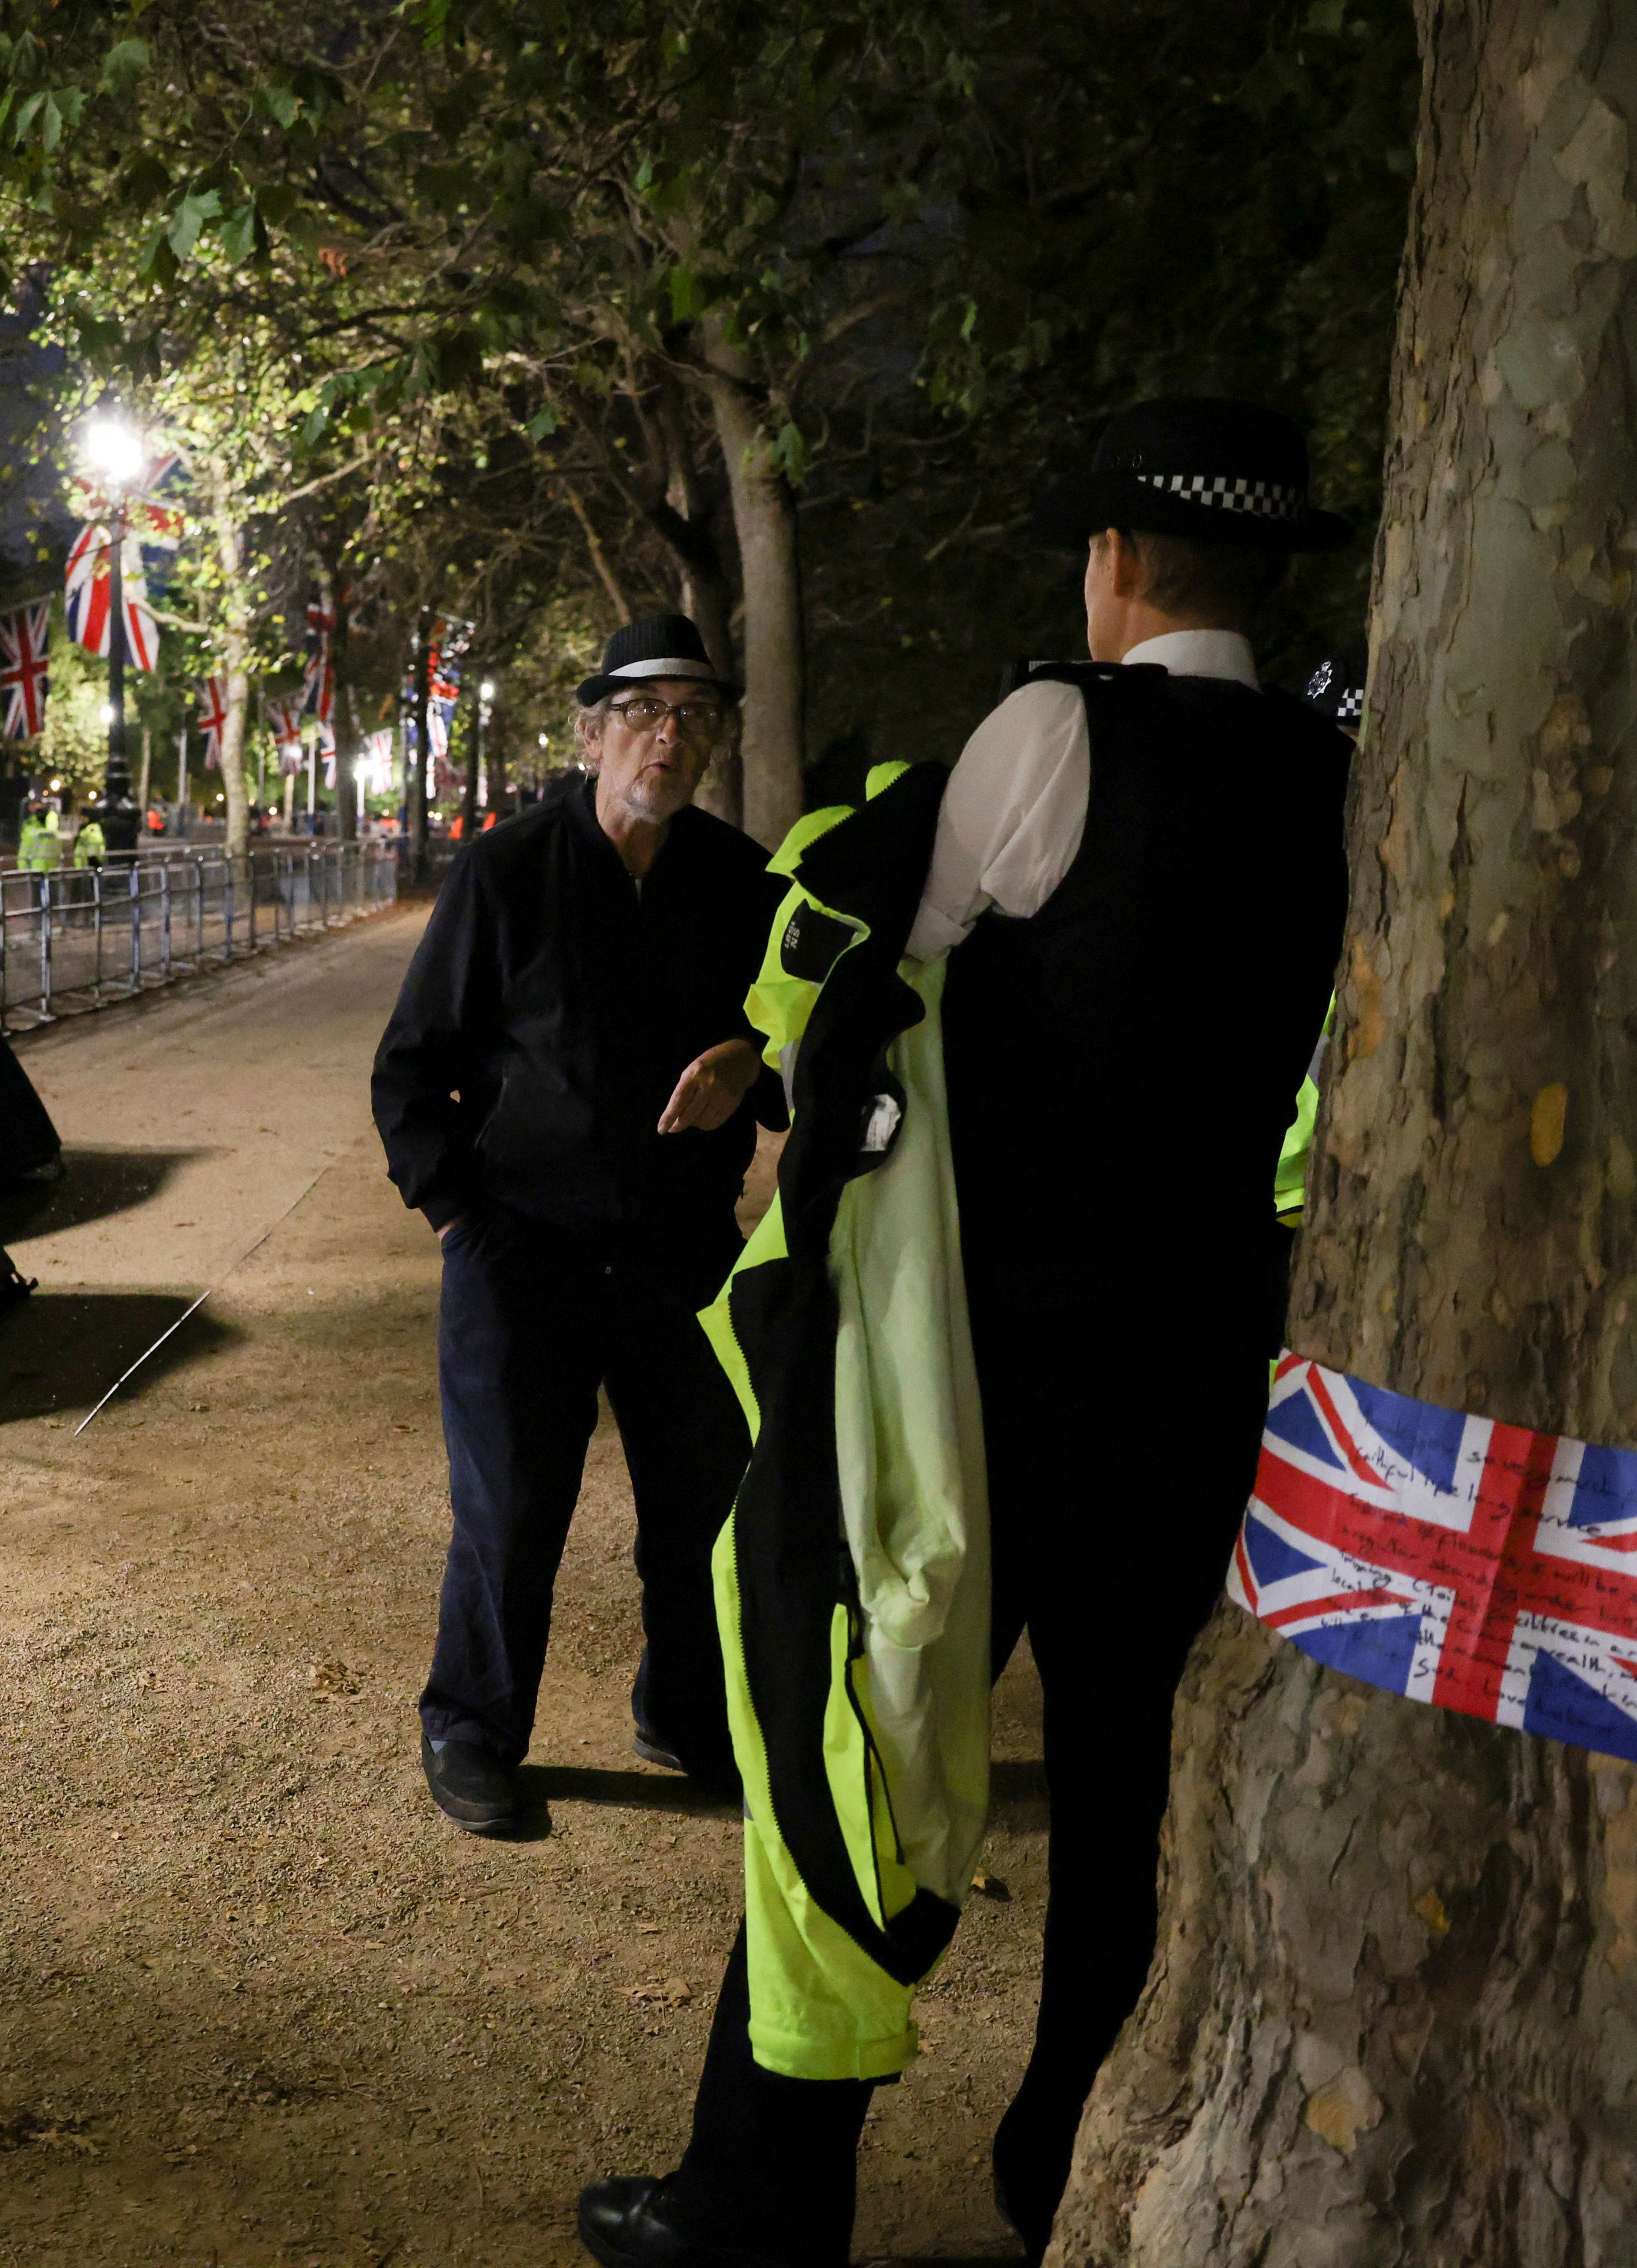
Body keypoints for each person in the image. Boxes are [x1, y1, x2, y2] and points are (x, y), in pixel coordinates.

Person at [576, 400, 1355, 2267]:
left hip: (977, 1373)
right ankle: (1062, 2170)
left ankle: (762, 2190)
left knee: (840, 1722)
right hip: (1200, 1386)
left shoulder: (1049, 732)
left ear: (1111, 568)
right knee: (1125, 1792)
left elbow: (874, 961)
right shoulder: (1334, 783)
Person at [372, 611, 785, 1839]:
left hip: (677, 1247)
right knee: (511, 1504)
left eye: (694, 717)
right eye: (646, 713)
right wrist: (459, 1217)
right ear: (594, 730)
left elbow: (790, 1044)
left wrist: (750, 1057)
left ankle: (685, 1712)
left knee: (699, 1500)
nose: (669, 737)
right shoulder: (505, 871)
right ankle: (474, 1726)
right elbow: (410, 1071)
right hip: (523, 1246)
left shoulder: (739, 880)